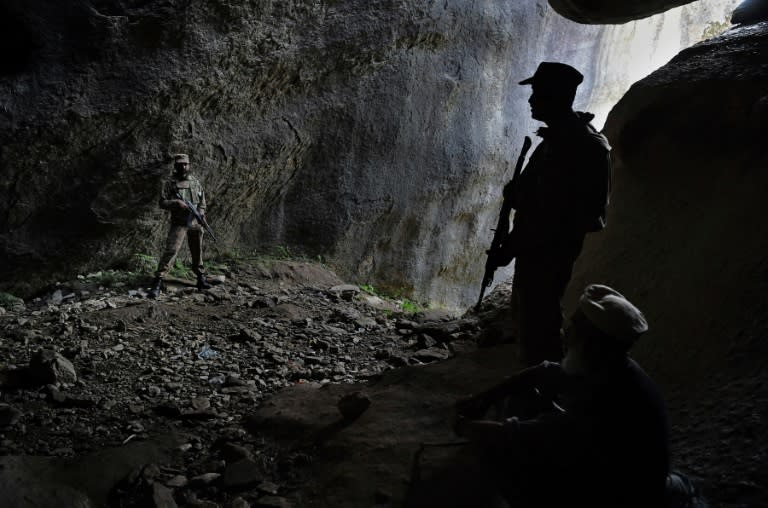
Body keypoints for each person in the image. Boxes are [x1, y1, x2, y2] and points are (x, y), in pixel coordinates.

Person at [453, 284, 700, 508]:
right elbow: (544, 372)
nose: (566, 332)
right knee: (522, 398)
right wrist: (485, 397)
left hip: (623, 495)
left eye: (575, 327)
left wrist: (465, 426)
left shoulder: (609, 398)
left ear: (592, 341)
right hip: (619, 470)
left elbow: (518, 434)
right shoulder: (610, 365)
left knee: (496, 451)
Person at [490, 61, 612, 365]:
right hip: (536, 247)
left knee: (540, 322)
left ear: (556, 97)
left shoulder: (583, 146)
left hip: (549, 251)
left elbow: (558, 214)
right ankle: (536, 384)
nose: (531, 100)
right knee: (528, 316)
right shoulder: (558, 139)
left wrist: (512, 246)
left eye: (538, 94)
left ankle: (545, 392)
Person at [147, 153, 211, 298]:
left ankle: (201, 278)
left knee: (197, 250)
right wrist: (175, 203)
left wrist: (200, 213)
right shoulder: (170, 183)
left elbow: (202, 202)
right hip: (180, 223)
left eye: (185, 164)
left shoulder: (195, 182)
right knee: (171, 250)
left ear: (189, 165)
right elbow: (162, 202)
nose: (183, 167)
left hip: (195, 222)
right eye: (180, 164)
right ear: (175, 166)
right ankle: (158, 281)